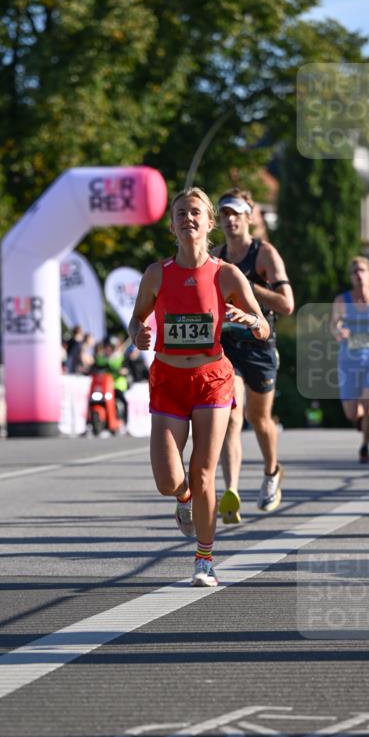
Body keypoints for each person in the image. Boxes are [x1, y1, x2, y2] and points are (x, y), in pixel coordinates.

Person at [129, 186, 270, 586]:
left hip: (211, 380)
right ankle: (184, 501)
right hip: (168, 379)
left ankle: (204, 560)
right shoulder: (158, 273)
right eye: (180, 213)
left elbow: (262, 326)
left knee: (205, 472)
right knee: (168, 480)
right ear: (172, 225)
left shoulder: (226, 273)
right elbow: (136, 320)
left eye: (195, 212)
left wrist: (250, 320)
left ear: (209, 223)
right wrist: (138, 333)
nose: (188, 218)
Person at [212, 188, 294, 524]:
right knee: (232, 415)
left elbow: (287, 304)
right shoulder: (215, 256)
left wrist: (247, 285)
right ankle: (231, 492)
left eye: (236, 213)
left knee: (260, 420)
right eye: (224, 214)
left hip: (259, 344)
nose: (230, 220)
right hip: (227, 347)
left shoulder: (264, 254)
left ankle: (272, 471)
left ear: (249, 216)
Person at [331, 257, 369, 463]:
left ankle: (365, 447)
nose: (359, 275)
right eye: (355, 271)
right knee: (351, 413)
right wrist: (339, 330)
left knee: (368, 405)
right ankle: (362, 420)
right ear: (351, 277)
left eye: (363, 271)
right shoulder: (342, 300)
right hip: (348, 360)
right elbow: (333, 325)